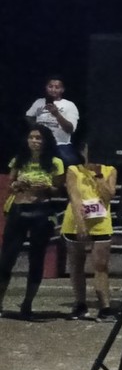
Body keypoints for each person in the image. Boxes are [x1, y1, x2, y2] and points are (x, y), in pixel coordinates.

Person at [0, 125, 65, 319]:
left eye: (39, 138)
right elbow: (11, 185)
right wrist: (18, 184)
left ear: (46, 141)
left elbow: (58, 190)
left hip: (41, 211)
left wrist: (47, 187)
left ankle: (27, 304)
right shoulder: (19, 159)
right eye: (31, 138)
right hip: (19, 209)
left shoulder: (55, 162)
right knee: (7, 258)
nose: (35, 141)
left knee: (36, 259)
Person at [63, 144, 117, 321]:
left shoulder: (110, 170)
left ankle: (105, 307)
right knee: (76, 265)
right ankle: (80, 304)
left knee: (101, 266)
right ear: (82, 151)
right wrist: (80, 224)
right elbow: (74, 197)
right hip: (76, 221)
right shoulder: (74, 170)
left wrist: (99, 176)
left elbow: (109, 195)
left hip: (101, 222)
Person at [25, 76, 80, 166]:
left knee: (70, 163)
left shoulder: (69, 105)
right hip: (40, 143)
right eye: (50, 86)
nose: (53, 90)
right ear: (46, 87)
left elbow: (70, 129)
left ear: (62, 90)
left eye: (57, 87)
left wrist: (57, 114)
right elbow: (28, 116)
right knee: (23, 159)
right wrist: (37, 127)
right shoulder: (39, 102)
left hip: (60, 144)